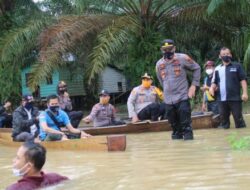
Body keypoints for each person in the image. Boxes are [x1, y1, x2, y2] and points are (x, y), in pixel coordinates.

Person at [155, 39, 201, 140]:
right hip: (168, 101)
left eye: (170, 49)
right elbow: (161, 81)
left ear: (174, 48)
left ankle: (189, 149)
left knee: (186, 127)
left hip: (182, 97)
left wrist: (194, 85)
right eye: (165, 49)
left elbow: (197, 68)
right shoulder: (159, 64)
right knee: (175, 129)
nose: (167, 51)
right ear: (161, 50)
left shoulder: (183, 58)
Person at [209, 47, 248, 129]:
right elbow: (214, 82)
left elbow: (243, 80)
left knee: (239, 121)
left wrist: (245, 93)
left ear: (230, 55)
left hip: (235, 99)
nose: (225, 55)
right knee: (224, 124)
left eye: (227, 54)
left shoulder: (237, 66)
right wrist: (211, 88)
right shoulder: (217, 69)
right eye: (223, 54)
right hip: (221, 100)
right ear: (220, 56)